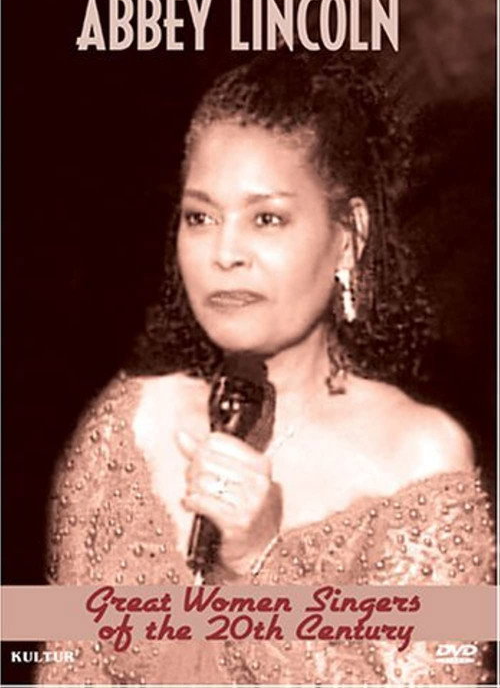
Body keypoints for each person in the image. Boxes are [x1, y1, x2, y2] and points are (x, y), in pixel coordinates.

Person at [37, 51, 494, 685]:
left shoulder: (419, 458)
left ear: (349, 237)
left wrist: (259, 566)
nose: (225, 252)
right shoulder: (130, 424)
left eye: (267, 219)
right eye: (201, 217)